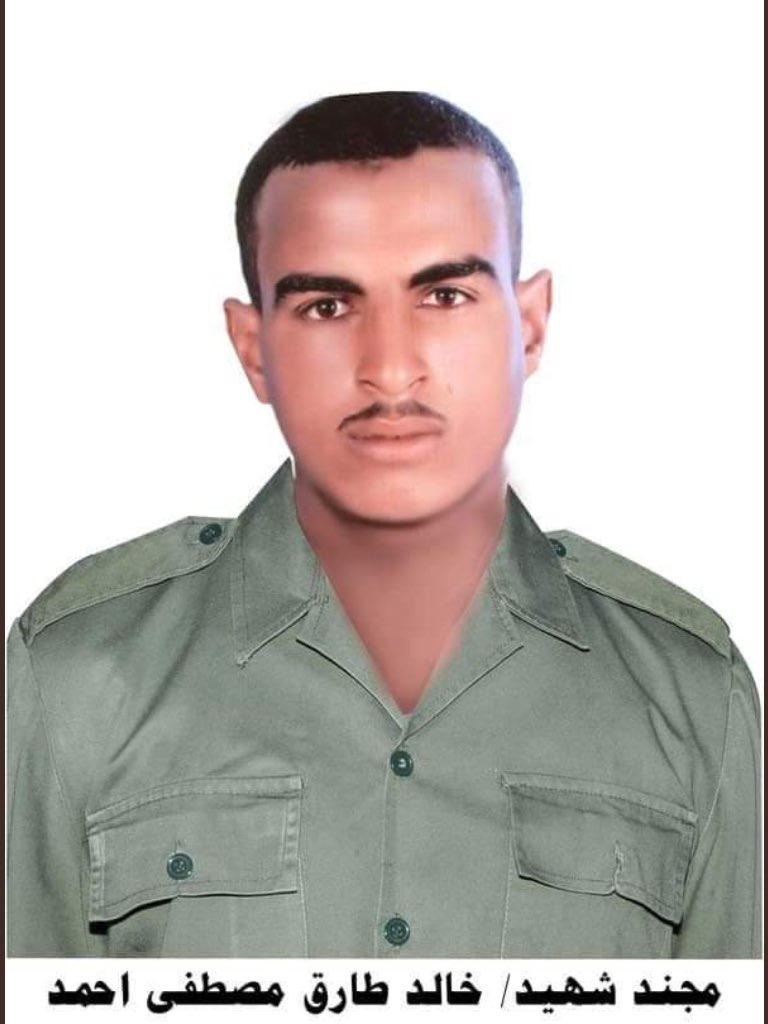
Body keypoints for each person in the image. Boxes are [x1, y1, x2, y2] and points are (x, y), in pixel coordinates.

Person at [7, 91, 760, 958]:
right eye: (327, 307)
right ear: (254, 349)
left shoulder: (691, 694)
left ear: (529, 326)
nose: (391, 370)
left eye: (444, 294)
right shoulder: (76, 678)